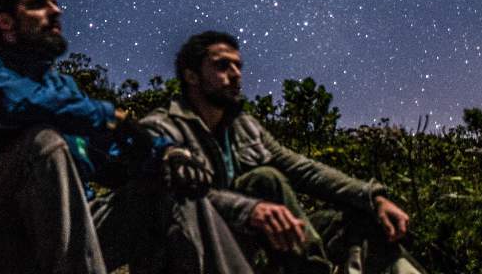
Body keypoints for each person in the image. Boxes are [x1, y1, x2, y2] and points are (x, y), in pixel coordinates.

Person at [0, 0, 251, 274]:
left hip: (61, 236)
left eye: (54, 3)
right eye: (38, 5)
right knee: (44, 141)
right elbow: (16, 104)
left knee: (169, 181)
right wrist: (105, 116)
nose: (56, 12)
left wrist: (168, 154)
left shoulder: (65, 90)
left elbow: (114, 153)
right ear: (5, 21)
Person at [142, 30, 426, 273]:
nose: (236, 75)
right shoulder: (162, 128)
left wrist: (372, 197)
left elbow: (303, 169)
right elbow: (172, 198)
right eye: (222, 66)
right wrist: (250, 209)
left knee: (362, 221)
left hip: (259, 246)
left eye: (238, 66)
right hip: (200, 252)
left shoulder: (244, 127)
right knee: (264, 180)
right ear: (192, 76)